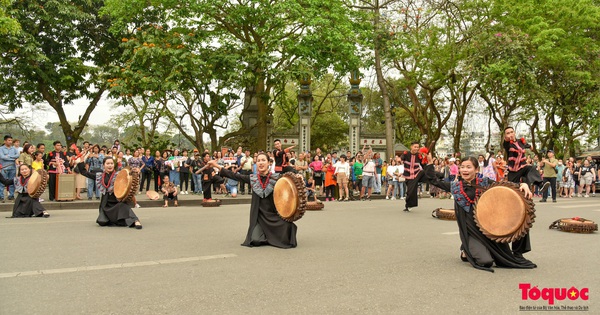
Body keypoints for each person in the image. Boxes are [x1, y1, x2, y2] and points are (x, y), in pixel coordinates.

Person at [425, 155, 537, 272]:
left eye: (468, 167)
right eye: (462, 167)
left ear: (476, 169)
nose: (464, 170)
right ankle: (465, 249)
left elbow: (504, 187)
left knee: (502, 256)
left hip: (488, 229)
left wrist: (522, 185)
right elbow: (434, 181)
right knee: (486, 262)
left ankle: (475, 248)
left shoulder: (485, 182)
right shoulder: (455, 187)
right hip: (471, 231)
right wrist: (429, 164)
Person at [206, 153, 298, 248]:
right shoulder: (252, 178)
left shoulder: (277, 177)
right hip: (259, 218)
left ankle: (270, 235)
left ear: (268, 163)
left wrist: (297, 175)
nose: (261, 163)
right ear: (256, 164)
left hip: (273, 216)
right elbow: (233, 175)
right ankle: (268, 235)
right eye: (258, 161)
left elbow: (291, 176)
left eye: (263, 160)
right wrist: (216, 165)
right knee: (256, 240)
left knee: (288, 227)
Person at [503, 127, 546, 258]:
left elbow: (531, 147)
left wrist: (534, 149)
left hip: (522, 170)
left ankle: (540, 185)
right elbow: (505, 143)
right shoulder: (507, 144)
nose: (510, 135)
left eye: (512, 132)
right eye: (507, 133)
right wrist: (507, 139)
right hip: (513, 173)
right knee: (514, 200)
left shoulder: (521, 142)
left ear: (515, 132)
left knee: (530, 168)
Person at [78, 157, 142, 229]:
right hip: (106, 203)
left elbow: (129, 177)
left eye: (111, 163)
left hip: (117, 200)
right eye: (107, 163)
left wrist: (134, 172)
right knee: (102, 222)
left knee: (123, 207)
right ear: (103, 165)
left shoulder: (119, 174)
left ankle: (136, 220)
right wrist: (81, 162)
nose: (110, 165)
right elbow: (85, 173)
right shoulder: (100, 176)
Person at [400, 142, 427, 212]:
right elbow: (401, 159)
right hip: (407, 175)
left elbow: (424, 165)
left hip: (416, 174)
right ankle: (408, 205)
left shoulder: (419, 155)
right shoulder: (406, 154)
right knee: (410, 191)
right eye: (415, 147)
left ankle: (440, 176)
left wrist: (424, 159)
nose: (416, 148)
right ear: (411, 147)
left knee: (412, 190)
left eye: (418, 147)